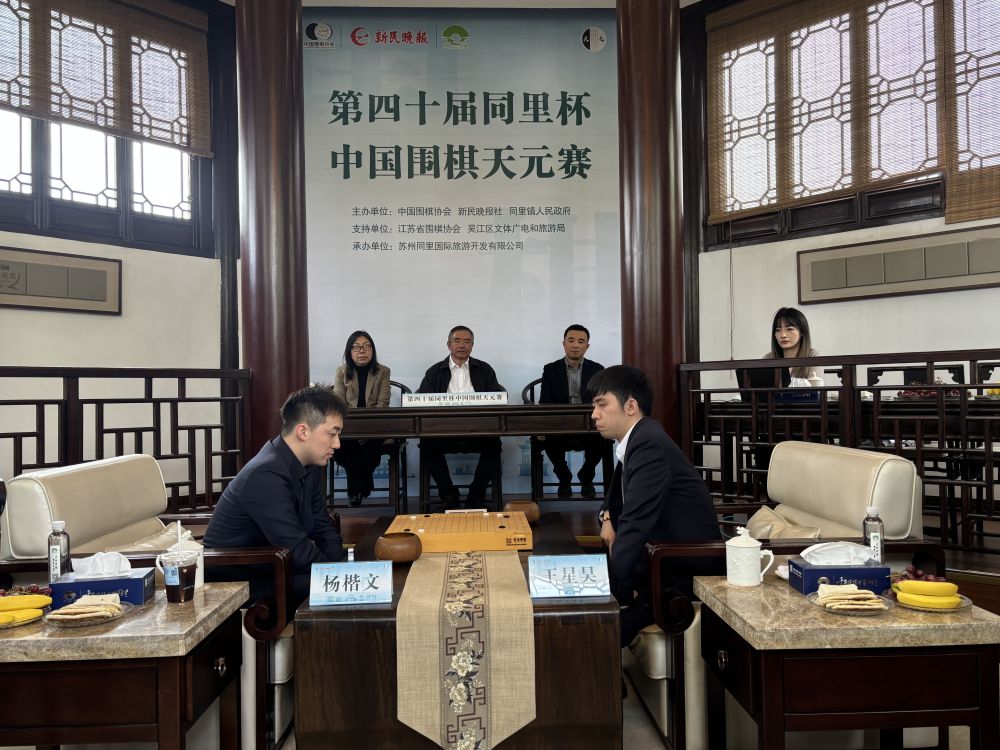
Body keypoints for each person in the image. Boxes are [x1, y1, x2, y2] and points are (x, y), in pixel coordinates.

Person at [592, 366, 723, 647]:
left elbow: (634, 524)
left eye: (602, 405)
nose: (595, 414)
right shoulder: (638, 439)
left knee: (594, 631)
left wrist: (617, 594)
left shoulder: (648, 445)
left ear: (630, 406)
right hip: (657, 563)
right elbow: (613, 499)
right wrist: (607, 517)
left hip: (680, 573)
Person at [204, 385, 348, 605]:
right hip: (244, 579)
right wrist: (338, 576)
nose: (337, 443)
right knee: (346, 590)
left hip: (278, 566)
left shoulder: (309, 465)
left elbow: (322, 526)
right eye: (332, 434)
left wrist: (343, 566)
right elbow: (296, 549)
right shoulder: (265, 474)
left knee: (356, 583)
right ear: (303, 431)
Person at [417, 325, 503, 506]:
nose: (462, 345)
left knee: (494, 446)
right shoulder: (434, 371)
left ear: (472, 346)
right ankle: (449, 495)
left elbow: (497, 398)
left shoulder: (485, 369)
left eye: (467, 341)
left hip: (478, 431)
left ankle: (476, 495)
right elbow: (421, 399)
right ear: (449, 345)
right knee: (427, 447)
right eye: (457, 341)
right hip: (443, 432)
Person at [538, 324, 609, 497]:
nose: (575, 345)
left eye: (581, 341)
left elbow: (602, 400)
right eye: (571, 340)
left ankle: (587, 476)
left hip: (589, 424)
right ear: (564, 344)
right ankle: (564, 477)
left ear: (587, 346)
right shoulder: (551, 369)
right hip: (560, 425)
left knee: (603, 438)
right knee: (549, 440)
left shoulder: (597, 370)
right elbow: (545, 402)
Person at [332, 330, 391, 506]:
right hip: (348, 427)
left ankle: (355, 492)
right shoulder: (341, 372)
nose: (362, 351)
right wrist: (354, 428)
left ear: (372, 350)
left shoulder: (383, 371)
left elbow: (382, 404)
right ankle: (364, 485)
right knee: (346, 445)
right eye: (356, 347)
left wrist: (366, 428)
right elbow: (338, 403)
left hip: (375, 426)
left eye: (366, 346)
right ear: (349, 351)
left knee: (370, 444)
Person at [764, 306, 823, 384]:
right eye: (778, 330)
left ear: (802, 332)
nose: (783, 335)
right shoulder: (769, 358)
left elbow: (815, 388)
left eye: (789, 329)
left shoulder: (813, 356)